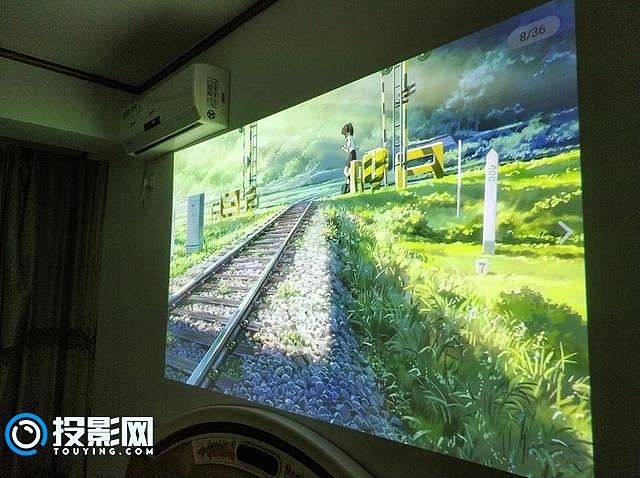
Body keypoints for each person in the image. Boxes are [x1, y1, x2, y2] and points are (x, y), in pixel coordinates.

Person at [340, 123, 356, 193]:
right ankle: (348, 186)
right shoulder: (350, 137)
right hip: (352, 153)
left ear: (347, 132)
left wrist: (343, 147)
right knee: (348, 171)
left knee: (345, 171)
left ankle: (349, 183)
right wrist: (344, 147)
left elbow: (348, 149)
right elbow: (349, 148)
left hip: (351, 154)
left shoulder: (349, 138)